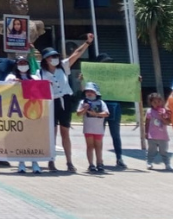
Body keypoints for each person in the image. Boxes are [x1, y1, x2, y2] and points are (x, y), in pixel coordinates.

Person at [38, 33, 94, 173]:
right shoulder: (40, 73)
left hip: (65, 100)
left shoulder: (63, 66)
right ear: (45, 59)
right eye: (51, 57)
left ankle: (69, 161)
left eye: (55, 56)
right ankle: (51, 161)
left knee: (65, 132)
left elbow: (76, 54)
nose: (54, 59)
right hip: (51, 102)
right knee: (52, 133)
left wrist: (87, 42)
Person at [89, 53, 128, 169]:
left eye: (109, 63)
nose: (107, 65)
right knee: (98, 134)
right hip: (99, 106)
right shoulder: (93, 77)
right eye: (104, 63)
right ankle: (98, 160)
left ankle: (119, 158)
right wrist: (83, 79)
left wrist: (136, 81)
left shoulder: (115, 76)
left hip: (115, 105)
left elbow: (126, 84)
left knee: (115, 134)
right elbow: (86, 91)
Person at [5, 56, 42, 174]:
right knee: (20, 137)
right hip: (17, 112)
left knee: (32, 138)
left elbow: (41, 90)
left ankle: (34, 162)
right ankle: (21, 163)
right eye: (20, 63)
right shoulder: (11, 77)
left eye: (24, 63)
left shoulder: (35, 77)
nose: (22, 65)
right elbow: (3, 90)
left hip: (32, 111)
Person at [77, 82, 110, 173]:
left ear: (96, 92)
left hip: (98, 129)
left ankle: (99, 163)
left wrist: (95, 114)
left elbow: (106, 113)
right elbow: (78, 114)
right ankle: (91, 164)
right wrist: (85, 109)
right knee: (90, 146)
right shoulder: (83, 102)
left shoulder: (101, 102)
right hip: (88, 128)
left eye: (92, 91)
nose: (89, 93)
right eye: (87, 91)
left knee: (98, 146)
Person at [144, 93, 173, 171]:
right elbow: (147, 122)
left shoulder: (164, 111)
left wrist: (162, 117)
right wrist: (146, 132)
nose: (157, 104)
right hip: (152, 135)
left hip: (163, 136)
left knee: (164, 151)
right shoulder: (149, 111)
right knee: (151, 150)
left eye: (159, 102)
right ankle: (149, 163)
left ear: (162, 102)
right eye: (154, 102)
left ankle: (167, 164)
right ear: (151, 103)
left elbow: (168, 123)